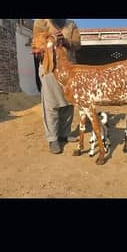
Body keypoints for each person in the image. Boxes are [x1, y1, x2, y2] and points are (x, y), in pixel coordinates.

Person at [33, 18, 81, 154]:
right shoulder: (41, 22)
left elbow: (78, 44)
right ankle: (53, 138)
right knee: (51, 104)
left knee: (68, 103)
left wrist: (66, 41)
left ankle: (64, 134)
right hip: (50, 67)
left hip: (69, 68)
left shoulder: (70, 24)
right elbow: (37, 43)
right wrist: (52, 39)